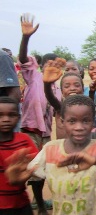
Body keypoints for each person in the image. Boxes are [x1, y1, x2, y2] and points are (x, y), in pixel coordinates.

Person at [5, 94, 96, 215]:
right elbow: (28, 173)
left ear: (93, 122)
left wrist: (95, 159)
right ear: (61, 122)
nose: (79, 127)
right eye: (72, 121)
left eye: (86, 121)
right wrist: (16, 179)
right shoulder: (50, 149)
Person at [18, 13, 61, 214]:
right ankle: (38, 205)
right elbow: (23, 58)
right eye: (48, 65)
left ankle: (39, 201)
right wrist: (26, 38)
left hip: (45, 133)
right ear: (42, 66)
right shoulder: (33, 76)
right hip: (30, 130)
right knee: (31, 168)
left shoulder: (56, 89)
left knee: (43, 168)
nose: (51, 69)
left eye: (56, 66)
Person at [0, 97, 38, 215]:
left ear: (18, 117)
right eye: (0, 115)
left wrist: (28, 169)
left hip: (21, 202)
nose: (6, 119)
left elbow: (37, 161)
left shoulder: (24, 139)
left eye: (11, 115)